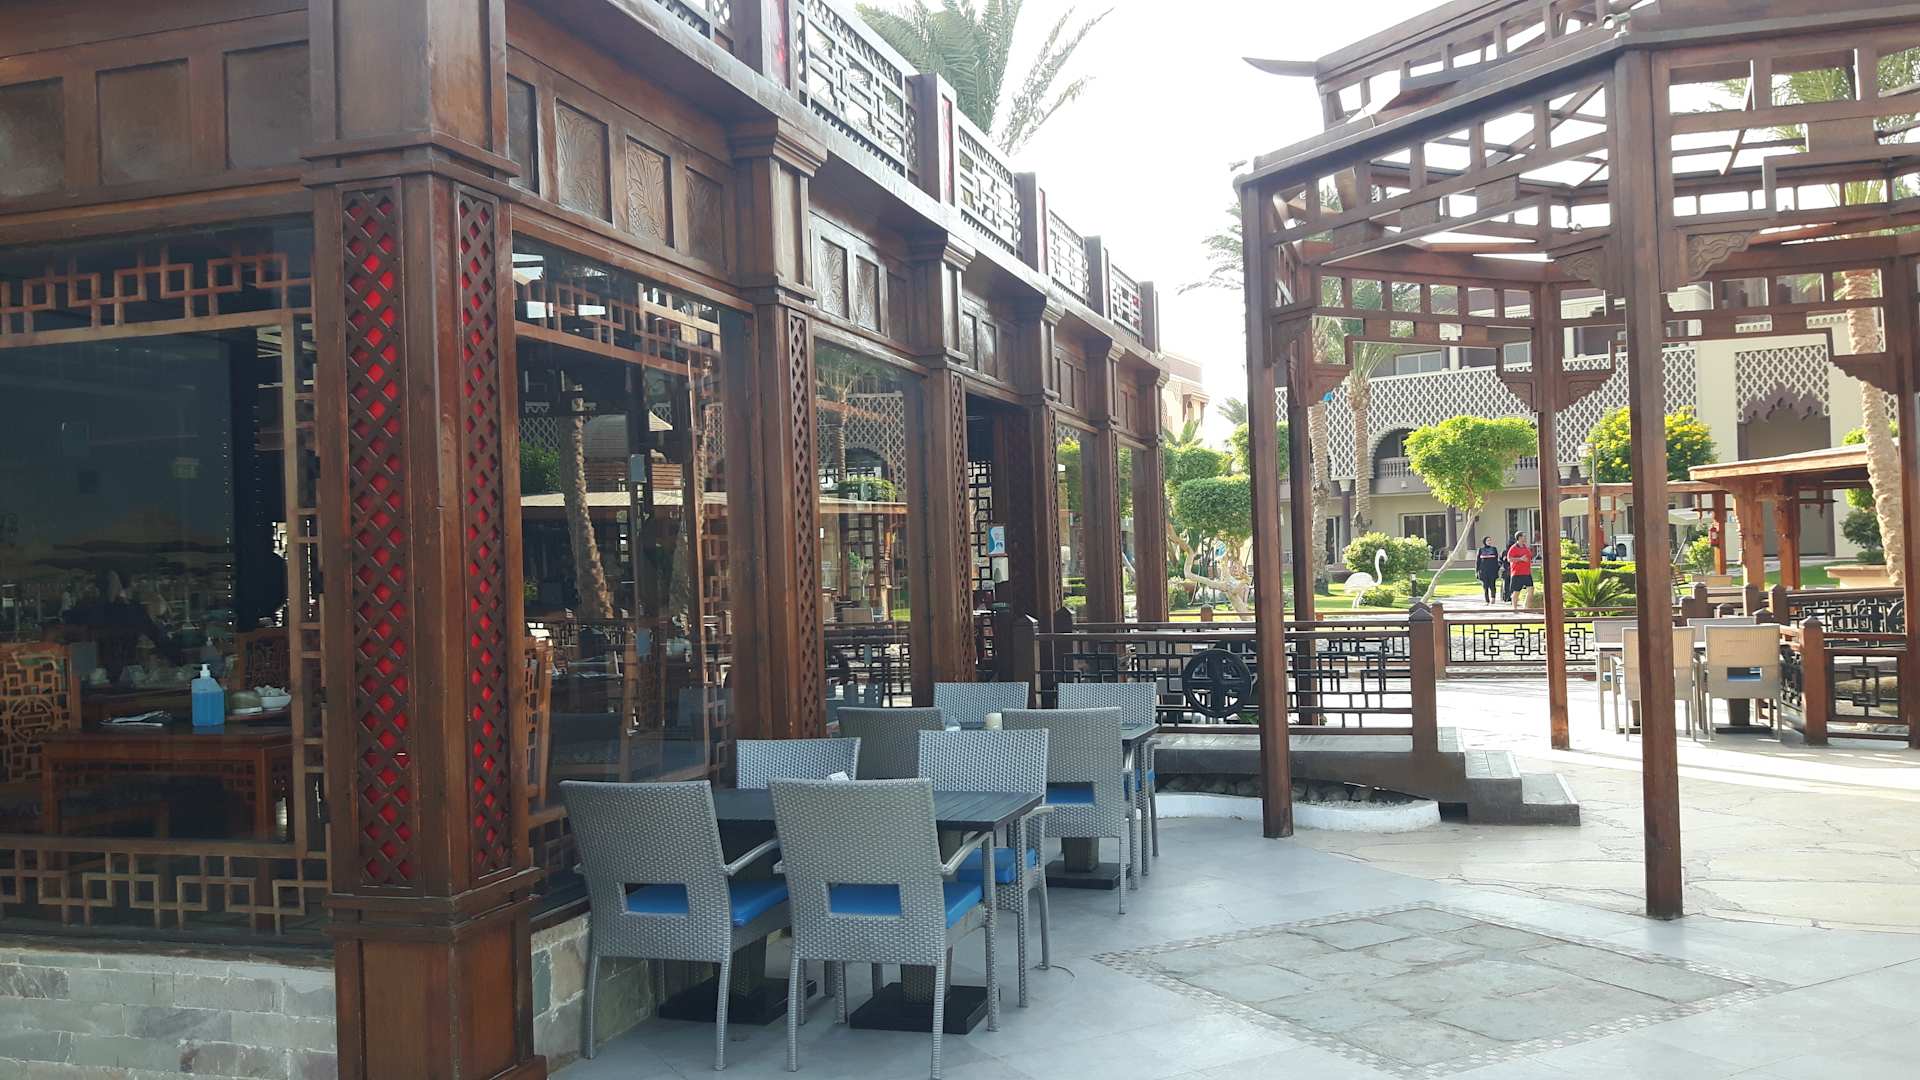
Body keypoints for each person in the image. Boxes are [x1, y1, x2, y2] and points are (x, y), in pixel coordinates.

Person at [1505, 532, 1536, 611]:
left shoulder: (1526, 547)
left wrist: (1530, 569)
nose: (1525, 538)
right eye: (1524, 536)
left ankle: (1526, 607)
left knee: (1531, 590)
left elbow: (1529, 559)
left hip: (1527, 573)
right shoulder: (1513, 548)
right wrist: (1520, 559)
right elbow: (1509, 559)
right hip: (1517, 573)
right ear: (1519, 538)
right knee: (1516, 592)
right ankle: (1514, 608)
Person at [1474, 537, 1502, 603]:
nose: (1489, 542)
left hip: (1492, 571)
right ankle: (1487, 600)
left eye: (1490, 540)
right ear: (1484, 541)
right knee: (1485, 586)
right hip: (1483, 571)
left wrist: (1497, 569)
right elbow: (1478, 561)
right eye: (1488, 540)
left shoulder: (1494, 549)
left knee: (1492, 585)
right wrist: (1477, 571)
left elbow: (1496, 561)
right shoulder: (1481, 550)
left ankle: (1493, 598)